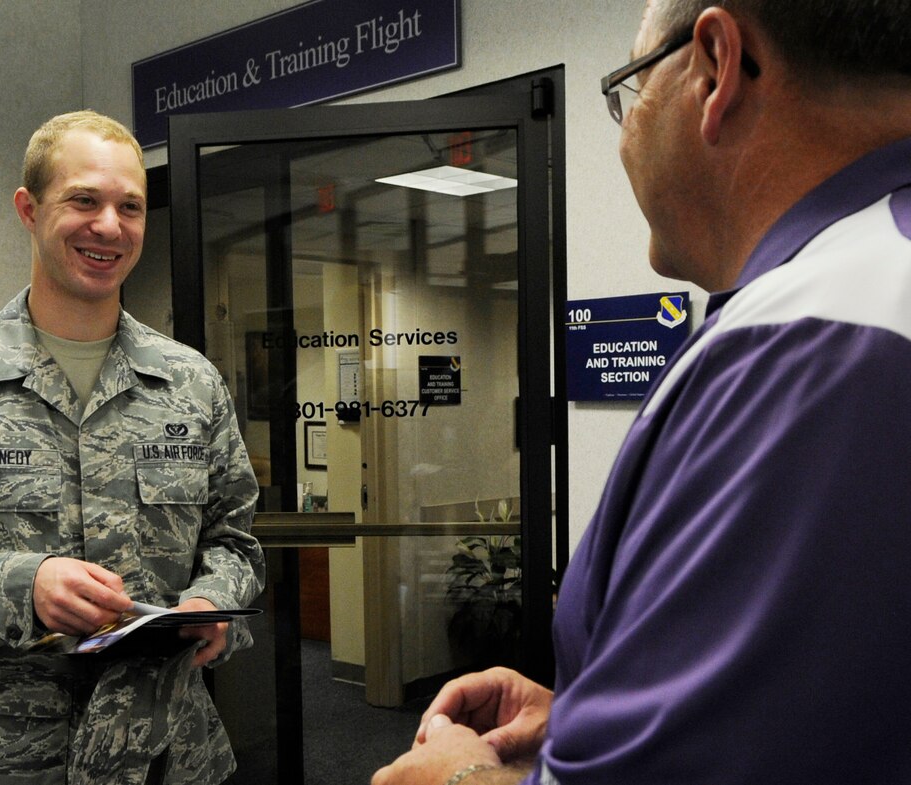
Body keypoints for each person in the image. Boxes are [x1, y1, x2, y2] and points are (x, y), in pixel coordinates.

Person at [374, 0, 911, 783]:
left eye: (627, 90)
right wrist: (591, 713)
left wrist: (460, 778)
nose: (624, 135)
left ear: (717, 68)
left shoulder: (816, 343)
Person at [0, 110, 265, 785]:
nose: (110, 226)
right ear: (28, 208)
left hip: (166, 756)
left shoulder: (192, 383)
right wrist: (25, 586)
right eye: (84, 199)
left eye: (130, 206)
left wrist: (211, 602)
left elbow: (235, 541)